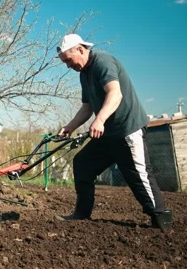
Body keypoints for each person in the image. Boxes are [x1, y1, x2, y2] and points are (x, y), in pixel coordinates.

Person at [55, 34, 173, 230]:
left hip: (127, 128)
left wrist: (99, 120)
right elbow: (87, 107)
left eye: (68, 60)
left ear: (80, 50)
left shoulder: (103, 62)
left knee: (138, 174)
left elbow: (115, 93)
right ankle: (82, 214)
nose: (68, 65)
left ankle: (161, 218)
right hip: (108, 133)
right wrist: (70, 127)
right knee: (83, 163)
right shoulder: (84, 73)